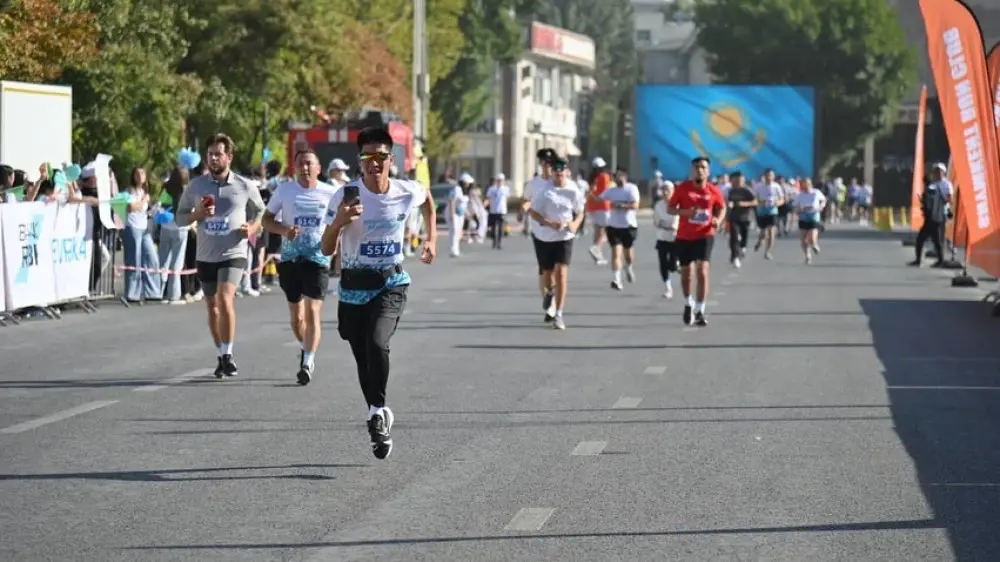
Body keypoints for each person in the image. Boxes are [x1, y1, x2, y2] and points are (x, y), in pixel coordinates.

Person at [320, 126, 436, 460]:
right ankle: (377, 409)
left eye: (381, 156)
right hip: (353, 286)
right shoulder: (344, 196)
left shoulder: (405, 190)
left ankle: (376, 416)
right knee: (362, 356)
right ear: (360, 161)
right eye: (368, 156)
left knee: (377, 341)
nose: (375, 162)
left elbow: (427, 201)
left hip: (390, 281)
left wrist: (431, 239)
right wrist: (340, 221)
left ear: (390, 159)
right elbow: (326, 249)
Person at [176, 133, 266, 379]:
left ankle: (228, 354)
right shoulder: (196, 186)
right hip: (206, 254)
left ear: (229, 157)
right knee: (212, 306)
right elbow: (180, 218)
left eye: (218, 154)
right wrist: (197, 215)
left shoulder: (244, 185)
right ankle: (220, 354)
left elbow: (261, 212)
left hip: (234, 251)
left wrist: (252, 228)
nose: (214, 159)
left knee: (225, 299)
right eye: (210, 155)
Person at [262, 149, 340, 385]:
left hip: (318, 258)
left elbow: (341, 223)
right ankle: (306, 346)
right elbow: (266, 220)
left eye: (309, 164)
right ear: (294, 168)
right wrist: (285, 230)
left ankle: (308, 361)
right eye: (300, 164)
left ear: (318, 168)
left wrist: (335, 241)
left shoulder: (331, 193)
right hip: (290, 258)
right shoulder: (284, 190)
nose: (305, 168)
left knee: (312, 310)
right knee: (297, 317)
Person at [528, 156, 585, 330]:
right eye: (555, 170)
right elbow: (533, 212)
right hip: (545, 237)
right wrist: (548, 223)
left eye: (561, 170)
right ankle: (550, 292)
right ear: (552, 172)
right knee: (547, 275)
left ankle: (559, 314)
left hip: (565, 237)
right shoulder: (545, 191)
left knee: (561, 273)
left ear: (567, 172)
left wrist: (575, 224)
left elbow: (580, 212)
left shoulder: (573, 190)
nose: (558, 174)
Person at [668, 156, 726, 326]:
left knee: (702, 270)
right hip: (684, 236)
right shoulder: (682, 188)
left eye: (703, 167)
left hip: (705, 234)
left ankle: (700, 310)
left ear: (708, 171)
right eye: (696, 167)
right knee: (687, 273)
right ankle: (688, 303)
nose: (699, 170)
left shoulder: (713, 190)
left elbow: (722, 207)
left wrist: (718, 220)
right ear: (691, 170)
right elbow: (670, 209)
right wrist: (686, 213)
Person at [523, 148, 559, 321]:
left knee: (557, 270)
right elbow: (526, 200)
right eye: (544, 163)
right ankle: (549, 305)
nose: (547, 166)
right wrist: (523, 209)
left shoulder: (559, 182)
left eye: (550, 163)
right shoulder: (533, 184)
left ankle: (553, 300)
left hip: (559, 233)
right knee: (545, 271)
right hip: (540, 233)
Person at [600, 167, 641, 290]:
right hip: (613, 226)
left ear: (625, 177)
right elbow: (598, 198)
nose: (617, 178)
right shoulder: (611, 191)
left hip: (629, 226)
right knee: (616, 253)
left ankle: (629, 266)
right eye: (616, 176)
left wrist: (621, 206)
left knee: (628, 254)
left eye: (620, 176)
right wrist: (590, 193)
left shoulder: (632, 188)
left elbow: (635, 205)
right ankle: (617, 280)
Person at [910, 162, 951, 268]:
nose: (937, 173)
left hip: (940, 215)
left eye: (939, 171)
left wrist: (940, 204)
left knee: (938, 240)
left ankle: (941, 260)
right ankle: (918, 260)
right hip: (930, 216)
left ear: (944, 172)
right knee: (921, 239)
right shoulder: (933, 184)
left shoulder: (946, 184)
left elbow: (949, 198)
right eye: (936, 171)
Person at [653, 181, 679, 298]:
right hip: (662, 237)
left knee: (672, 266)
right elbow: (657, 221)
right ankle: (668, 288)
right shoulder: (658, 205)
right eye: (663, 190)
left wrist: (673, 226)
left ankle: (677, 265)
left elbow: (678, 220)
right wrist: (665, 225)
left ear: (673, 191)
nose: (665, 192)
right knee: (663, 263)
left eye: (667, 190)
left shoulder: (678, 204)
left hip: (675, 238)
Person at [725, 171, 755, 268]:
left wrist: (744, 204)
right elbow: (727, 203)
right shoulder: (731, 191)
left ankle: (743, 247)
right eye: (735, 180)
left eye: (740, 180)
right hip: (733, 218)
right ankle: (735, 257)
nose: (737, 182)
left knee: (744, 236)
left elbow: (755, 202)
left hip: (745, 218)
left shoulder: (747, 190)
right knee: (734, 238)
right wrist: (728, 207)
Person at [793, 178, 826, 264]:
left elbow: (823, 200)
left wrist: (821, 206)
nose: (806, 186)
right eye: (804, 184)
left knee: (812, 236)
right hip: (803, 216)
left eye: (807, 184)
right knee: (804, 240)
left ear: (810, 184)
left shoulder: (816, 192)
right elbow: (795, 205)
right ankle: (807, 255)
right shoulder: (800, 195)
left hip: (814, 215)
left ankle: (814, 244)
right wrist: (798, 210)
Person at [753, 168, 784, 260]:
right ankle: (759, 241)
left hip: (772, 212)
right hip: (762, 211)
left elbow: (782, 199)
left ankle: (767, 251)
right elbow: (754, 199)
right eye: (768, 175)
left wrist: (777, 203)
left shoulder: (776, 186)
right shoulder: (758, 186)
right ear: (764, 176)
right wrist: (761, 202)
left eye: (771, 175)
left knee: (771, 232)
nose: (769, 177)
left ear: (773, 176)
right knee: (763, 233)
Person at [585, 157, 612, 264]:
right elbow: (606, 191)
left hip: (592, 206)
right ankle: (596, 247)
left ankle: (598, 256)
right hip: (603, 206)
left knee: (597, 231)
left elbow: (591, 191)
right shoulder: (605, 176)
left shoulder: (591, 178)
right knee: (608, 232)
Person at [485, 173, 510, 249]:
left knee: (500, 228)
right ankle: (494, 241)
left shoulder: (506, 189)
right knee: (493, 227)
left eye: (501, 180)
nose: (500, 182)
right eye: (498, 180)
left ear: (503, 181)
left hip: (502, 211)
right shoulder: (491, 189)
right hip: (493, 210)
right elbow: (488, 198)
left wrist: (505, 208)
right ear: (496, 181)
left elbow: (506, 199)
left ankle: (499, 242)